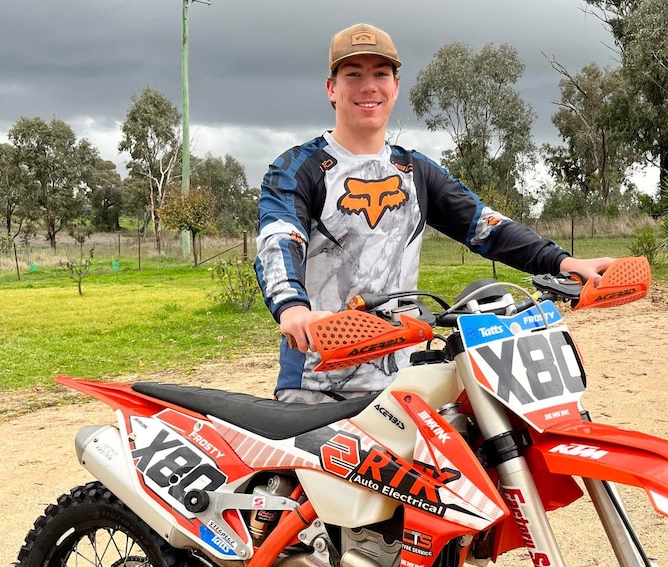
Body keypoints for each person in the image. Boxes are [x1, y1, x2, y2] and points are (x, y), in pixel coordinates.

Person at [255, 22, 613, 403]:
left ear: (395, 86)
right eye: (353, 74)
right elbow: (280, 237)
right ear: (332, 88)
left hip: (407, 381)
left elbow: (485, 226)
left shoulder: (416, 171)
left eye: (380, 73)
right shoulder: (298, 167)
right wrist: (292, 307)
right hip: (316, 383)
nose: (368, 86)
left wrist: (561, 262)